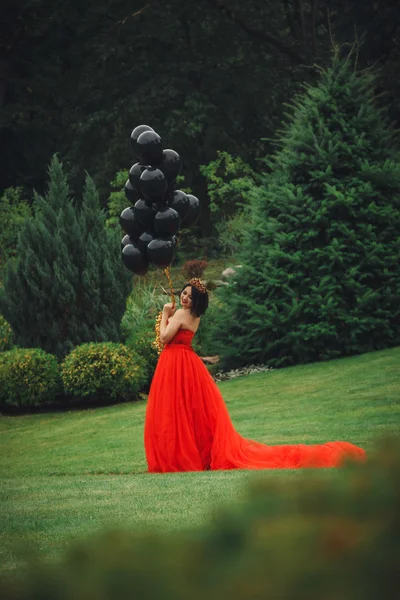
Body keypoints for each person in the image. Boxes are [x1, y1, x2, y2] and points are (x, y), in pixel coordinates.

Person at [144, 278, 366, 472]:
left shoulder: (182, 314)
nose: (184, 298)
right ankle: (193, 455)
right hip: (187, 364)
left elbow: (164, 338)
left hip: (175, 363)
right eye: (183, 293)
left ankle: (180, 457)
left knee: (176, 409)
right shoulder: (194, 316)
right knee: (188, 411)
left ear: (196, 302)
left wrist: (165, 313)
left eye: (189, 296)